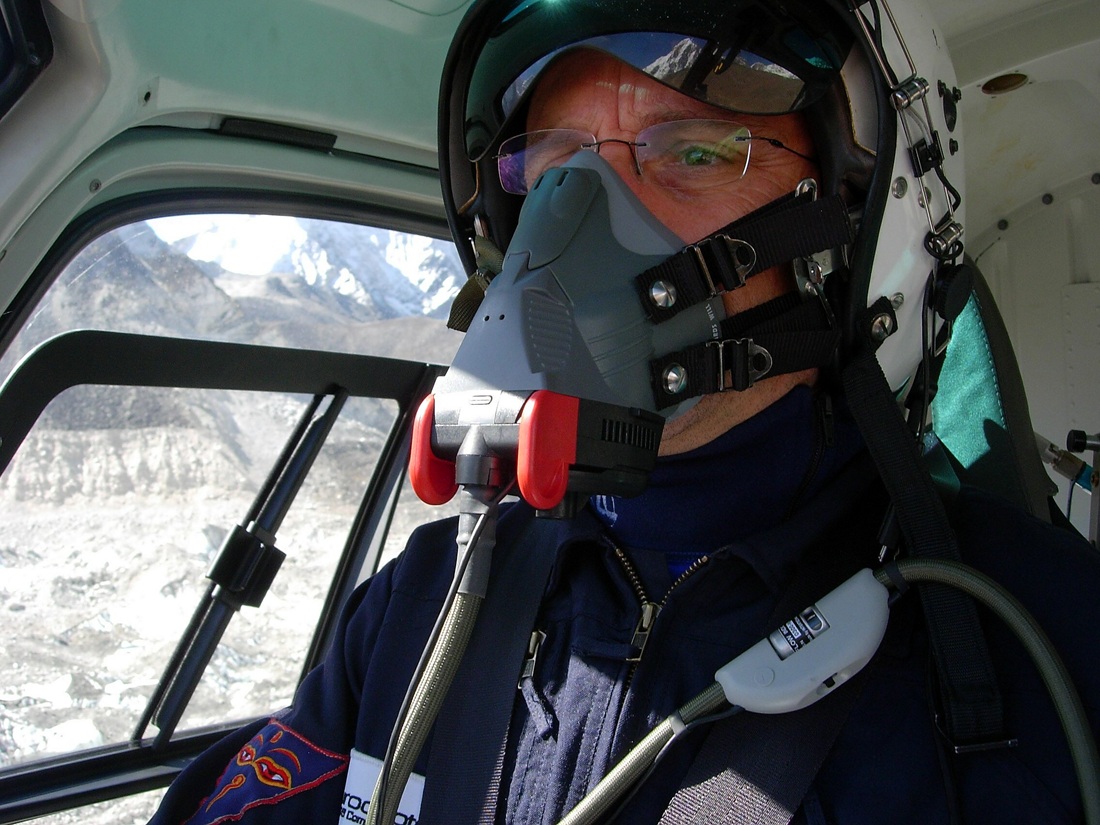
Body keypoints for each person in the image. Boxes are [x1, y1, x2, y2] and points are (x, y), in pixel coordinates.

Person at [149, 0, 1100, 822]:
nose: (582, 221)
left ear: (852, 229)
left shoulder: (1044, 647)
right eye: (553, 168)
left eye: (693, 150)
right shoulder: (423, 604)